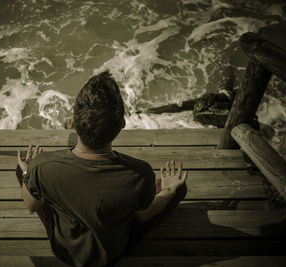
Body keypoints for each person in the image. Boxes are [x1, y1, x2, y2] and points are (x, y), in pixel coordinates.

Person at [15, 71, 188, 267]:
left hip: (65, 249)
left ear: (73, 122)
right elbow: (142, 215)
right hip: (115, 250)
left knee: (24, 172)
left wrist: (29, 173)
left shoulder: (44, 166)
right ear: (122, 124)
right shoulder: (140, 172)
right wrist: (169, 190)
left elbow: (31, 206)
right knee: (178, 188)